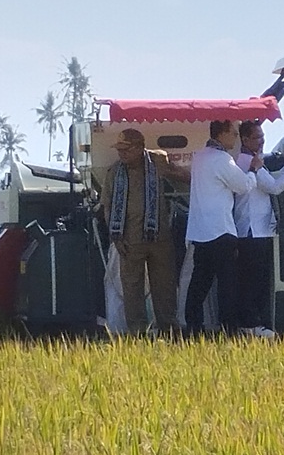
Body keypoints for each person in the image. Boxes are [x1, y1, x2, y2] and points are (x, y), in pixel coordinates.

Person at [100, 128, 183, 335]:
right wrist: (115, 237)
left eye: (126, 149)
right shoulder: (114, 173)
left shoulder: (157, 162)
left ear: (139, 147)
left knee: (164, 287)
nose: (122, 153)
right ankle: (138, 333)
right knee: (132, 289)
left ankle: (168, 330)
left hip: (159, 238)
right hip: (129, 241)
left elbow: (177, 174)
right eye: (119, 149)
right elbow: (107, 206)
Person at [185, 120, 258, 336]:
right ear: (222, 134)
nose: (235, 138)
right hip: (221, 229)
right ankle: (228, 329)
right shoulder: (222, 159)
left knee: (199, 283)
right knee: (227, 284)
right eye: (233, 134)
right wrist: (253, 170)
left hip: (200, 230)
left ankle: (194, 328)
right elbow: (242, 186)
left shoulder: (199, 158)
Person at [234, 120, 284, 338]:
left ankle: (254, 323)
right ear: (245, 140)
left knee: (255, 279)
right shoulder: (248, 161)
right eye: (257, 137)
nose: (262, 141)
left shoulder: (251, 161)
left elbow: (268, 179)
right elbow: (273, 187)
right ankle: (252, 324)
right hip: (254, 229)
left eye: (263, 137)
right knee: (254, 280)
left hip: (257, 228)